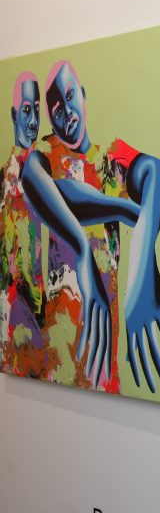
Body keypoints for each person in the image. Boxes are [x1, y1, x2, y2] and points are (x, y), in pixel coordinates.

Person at [20, 60, 160, 392]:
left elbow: (158, 172)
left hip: (103, 340)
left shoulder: (110, 157)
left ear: (83, 94)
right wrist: (116, 214)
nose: (68, 114)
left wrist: (143, 260)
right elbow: (40, 181)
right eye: (57, 110)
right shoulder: (47, 152)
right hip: (60, 342)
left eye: (70, 96)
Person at [0, 72, 46, 376]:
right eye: (26, 110)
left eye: (37, 110)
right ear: (14, 114)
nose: (33, 121)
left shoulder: (45, 172)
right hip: (11, 316)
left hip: (42, 314)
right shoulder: (4, 181)